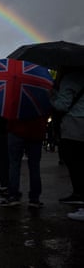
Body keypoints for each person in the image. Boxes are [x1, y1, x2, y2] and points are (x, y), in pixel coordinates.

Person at [51, 67, 84, 208]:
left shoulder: (69, 79)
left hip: (74, 124)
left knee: (73, 160)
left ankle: (79, 194)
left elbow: (61, 106)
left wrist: (52, 95)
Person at [0, 115, 47, 208]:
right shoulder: (40, 100)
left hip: (16, 129)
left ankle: (13, 196)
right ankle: (34, 198)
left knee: (14, 165)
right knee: (34, 166)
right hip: (36, 130)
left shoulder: (14, 99)